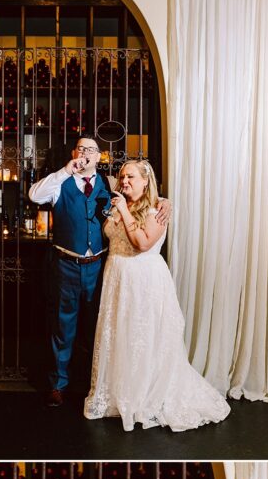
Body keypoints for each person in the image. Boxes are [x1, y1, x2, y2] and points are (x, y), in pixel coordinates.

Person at [84, 158, 231, 432]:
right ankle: (121, 393)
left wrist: (127, 210)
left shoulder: (156, 211)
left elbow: (141, 243)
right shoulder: (120, 203)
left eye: (130, 177)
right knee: (122, 336)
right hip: (118, 280)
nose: (124, 181)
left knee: (144, 337)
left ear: (145, 181)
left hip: (143, 282)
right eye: (122, 176)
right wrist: (122, 208)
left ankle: (144, 396)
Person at [29, 138, 171, 408]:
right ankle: (58, 384)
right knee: (62, 327)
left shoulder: (110, 183)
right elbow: (35, 196)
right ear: (74, 153)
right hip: (66, 265)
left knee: (102, 326)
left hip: (99, 266)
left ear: (98, 157)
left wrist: (165, 201)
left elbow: (141, 194)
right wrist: (66, 170)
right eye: (80, 149)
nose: (84, 153)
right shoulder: (60, 183)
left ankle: (96, 383)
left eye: (90, 150)